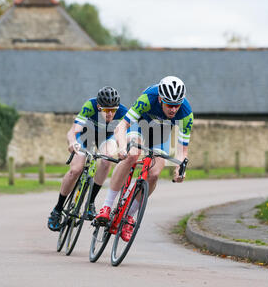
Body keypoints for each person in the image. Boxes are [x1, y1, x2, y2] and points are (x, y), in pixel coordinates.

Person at [95, 76, 193, 241]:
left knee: (154, 174)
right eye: (169, 105)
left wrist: (179, 168)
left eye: (177, 105)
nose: (173, 110)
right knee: (132, 154)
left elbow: (183, 151)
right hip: (140, 125)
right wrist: (121, 146)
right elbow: (122, 126)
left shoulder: (186, 113)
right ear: (161, 99)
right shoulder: (148, 98)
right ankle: (106, 206)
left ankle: (129, 217)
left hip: (162, 134)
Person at [47, 86, 128, 232]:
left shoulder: (123, 112)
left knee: (107, 159)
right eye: (105, 110)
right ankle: (57, 209)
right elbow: (73, 131)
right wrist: (72, 142)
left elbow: (121, 135)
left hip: (106, 138)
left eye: (113, 110)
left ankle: (90, 203)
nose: (110, 113)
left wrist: (122, 148)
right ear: (98, 106)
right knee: (75, 170)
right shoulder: (90, 106)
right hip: (85, 136)